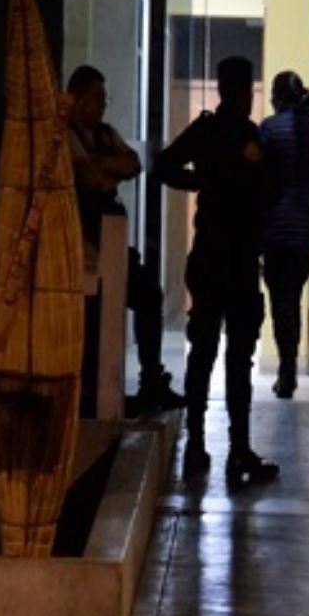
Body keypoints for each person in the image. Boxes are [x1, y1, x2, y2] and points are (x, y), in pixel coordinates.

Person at [153, 55, 278, 485]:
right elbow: (269, 191)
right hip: (239, 260)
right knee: (238, 358)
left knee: (202, 353)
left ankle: (196, 445)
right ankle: (238, 449)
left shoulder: (205, 131)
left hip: (208, 257)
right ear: (244, 93)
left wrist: (199, 184)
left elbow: (164, 164)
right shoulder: (249, 137)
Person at [67, 65, 182, 413]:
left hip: (111, 243)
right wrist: (103, 169)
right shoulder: (62, 134)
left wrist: (102, 167)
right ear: (75, 98)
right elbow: (90, 179)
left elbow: (132, 163)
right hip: (77, 243)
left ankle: (151, 381)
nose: (102, 105)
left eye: (105, 98)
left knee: (148, 295)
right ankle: (89, 390)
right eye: (96, 97)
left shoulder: (103, 134)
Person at [258, 71, 309, 399]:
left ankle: (286, 369)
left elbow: (257, 176)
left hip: (274, 226)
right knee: (293, 297)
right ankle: (290, 367)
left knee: (280, 299)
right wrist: (304, 205)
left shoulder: (269, 130)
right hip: (302, 229)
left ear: (277, 97)